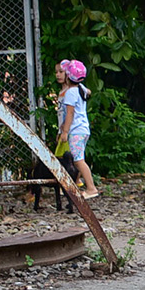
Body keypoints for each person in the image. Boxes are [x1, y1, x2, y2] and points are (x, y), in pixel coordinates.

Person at [55, 59, 98, 198]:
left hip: (76, 130)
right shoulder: (80, 89)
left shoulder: (70, 93)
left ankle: (91, 188)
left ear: (68, 76)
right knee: (76, 158)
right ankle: (75, 184)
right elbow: (88, 91)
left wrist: (65, 131)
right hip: (83, 129)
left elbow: (70, 114)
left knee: (78, 160)